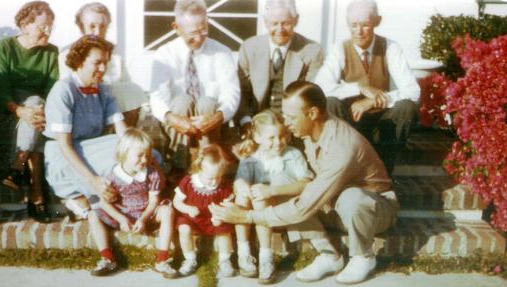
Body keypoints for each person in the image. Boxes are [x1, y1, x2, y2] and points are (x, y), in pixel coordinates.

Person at [211, 81, 399, 284]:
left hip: (371, 209)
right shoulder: (311, 131)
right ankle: (329, 256)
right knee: (284, 183)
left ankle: (363, 257)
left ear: (312, 113)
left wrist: (247, 216)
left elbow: (305, 206)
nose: (287, 123)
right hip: (331, 203)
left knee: (350, 197)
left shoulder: (342, 147)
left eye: (291, 117)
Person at [314, 0, 419, 175]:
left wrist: (373, 102)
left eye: (365, 25)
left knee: (407, 107)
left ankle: (382, 173)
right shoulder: (340, 48)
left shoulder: (390, 47)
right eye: (353, 25)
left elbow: (413, 91)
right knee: (330, 102)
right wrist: (359, 88)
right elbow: (320, 87)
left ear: (377, 22)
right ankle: (343, 170)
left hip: (382, 123)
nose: (359, 32)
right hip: (351, 124)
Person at [0, 1, 58, 222]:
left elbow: (51, 89)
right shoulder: (4, 46)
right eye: (42, 27)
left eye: (50, 27)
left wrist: (36, 110)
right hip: (7, 109)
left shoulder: (51, 52)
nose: (48, 31)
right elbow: (1, 90)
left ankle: (18, 165)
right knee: (35, 116)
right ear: (25, 25)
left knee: (37, 104)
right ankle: (37, 195)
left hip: (37, 111)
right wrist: (20, 111)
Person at [150, 0, 240, 174]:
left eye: (203, 30)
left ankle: (210, 165)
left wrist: (218, 117)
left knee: (207, 102)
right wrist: (171, 118)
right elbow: (157, 96)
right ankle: (180, 166)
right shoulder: (165, 53)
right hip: (178, 124)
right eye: (192, 33)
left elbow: (231, 92)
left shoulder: (221, 52)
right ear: (176, 27)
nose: (199, 38)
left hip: (211, 123)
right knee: (182, 101)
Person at [43, 35, 123, 222]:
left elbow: (123, 132)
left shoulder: (102, 90)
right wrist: (94, 180)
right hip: (63, 156)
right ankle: (80, 196)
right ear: (79, 61)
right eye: (97, 63)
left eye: (105, 63)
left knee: (134, 149)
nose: (103, 69)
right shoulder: (64, 90)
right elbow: (64, 145)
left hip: (90, 149)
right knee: (121, 153)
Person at [234, 109, 314, 284]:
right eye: (271, 138)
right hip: (260, 206)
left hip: (287, 205)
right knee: (241, 197)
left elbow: (307, 184)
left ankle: (265, 257)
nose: (278, 142)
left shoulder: (292, 155)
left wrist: (272, 191)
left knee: (260, 197)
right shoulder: (251, 158)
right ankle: (244, 254)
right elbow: (239, 182)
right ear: (257, 137)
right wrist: (243, 187)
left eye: (282, 136)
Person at [89, 129, 177, 278]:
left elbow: (153, 201)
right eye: (140, 155)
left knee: (168, 211)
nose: (144, 160)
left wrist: (142, 219)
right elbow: (104, 202)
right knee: (93, 214)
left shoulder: (152, 173)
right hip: (124, 213)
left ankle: (162, 260)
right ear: (124, 153)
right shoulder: (113, 175)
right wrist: (121, 219)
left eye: (147, 156)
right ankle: (107, 258)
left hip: (147, 213)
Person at [236, 0, 323, 132]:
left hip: (293, 125)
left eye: (286, 23)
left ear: (296, 20)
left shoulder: (312, 51)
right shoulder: (249, 48)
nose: (280, 30)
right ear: (265, 22)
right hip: (256, 123)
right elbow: (242, 92)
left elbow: (310, 97)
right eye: (274, 23)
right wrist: (247, 122)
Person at [58, 2, 147, 127]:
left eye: (103, 26)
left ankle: (125, 141)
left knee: (132, 90)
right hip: (83, 112)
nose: (98, 32)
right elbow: (67, 89)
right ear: (81, 27)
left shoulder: (115, 57)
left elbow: (129, 91)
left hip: (114, 114)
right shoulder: (68, 54)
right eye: (92, 26)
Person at [173, 144, 235, 278]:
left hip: (213, 219)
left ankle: (225, 260)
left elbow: (228, 204)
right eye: (210, 178)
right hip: (192, 218)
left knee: (225, 231)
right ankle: (190, 258)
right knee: (184, 228)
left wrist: (221, 214)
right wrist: (187, 209)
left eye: (218, 177)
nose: (214, 182)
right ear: (199, 168)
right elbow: (176, 202)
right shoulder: (188, 182)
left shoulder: (223, 186)